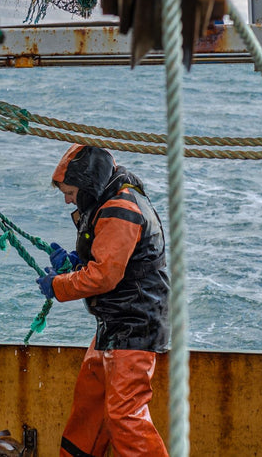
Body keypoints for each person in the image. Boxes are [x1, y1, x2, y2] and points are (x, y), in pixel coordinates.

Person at [37, 144, 170, 457]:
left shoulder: (119, 208)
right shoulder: (110, 199)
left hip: (135, 325)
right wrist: (75, 263)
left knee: (125, 415)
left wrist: (58, 286)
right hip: (115, 323)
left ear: (87, 186)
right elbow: (109, 260)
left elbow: (104, 276)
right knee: (91, 402)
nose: (68, 200)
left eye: (70, 192)